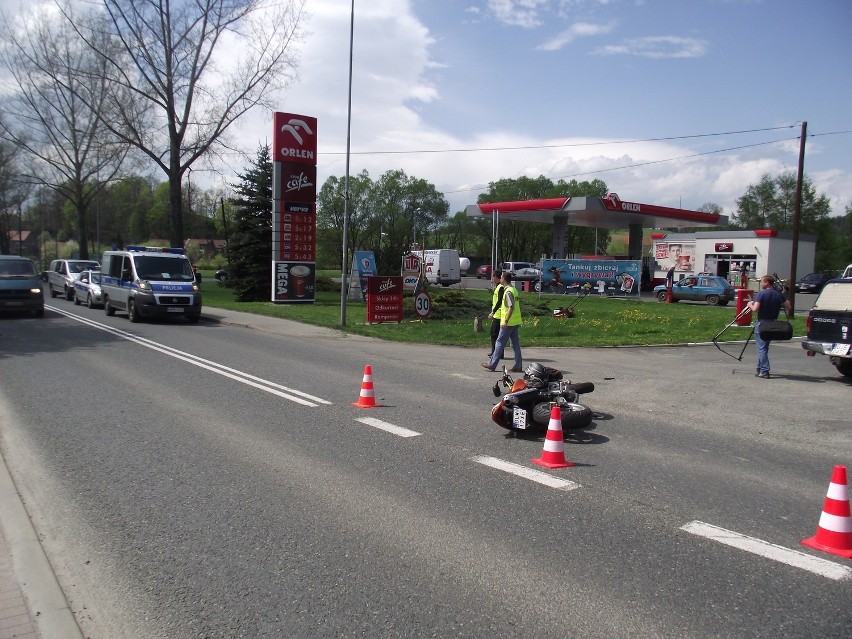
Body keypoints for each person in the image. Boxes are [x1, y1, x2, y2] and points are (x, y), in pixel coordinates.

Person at [747, 274, 792, 379]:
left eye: (762, 282)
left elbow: (755, 309)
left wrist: (750, 304)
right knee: (764, 347)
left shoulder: (761, 294)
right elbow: (789, 306)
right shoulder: (778, 294)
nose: (761, 283)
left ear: (767, 282)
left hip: (762, 323)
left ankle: (764, 370)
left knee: (762, 348)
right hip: (773, 323)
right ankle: (759, 368)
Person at [482, 271, 523, 372]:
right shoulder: (514, 290)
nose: (500, 279)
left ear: (504, 279)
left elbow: (511, 307)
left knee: (499, 342)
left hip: (508, 322)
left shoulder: (508, 291)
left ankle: (492, 364)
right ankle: (518, 365)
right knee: (515, 344)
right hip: (515, 321)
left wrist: (505, 320)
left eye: (501, 277)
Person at [487, 269, 505, 360]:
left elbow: (499, 302)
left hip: (498, 315)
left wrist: (493, 312)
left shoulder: (500, 287)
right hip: (497, 314)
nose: (492, 279)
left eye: (492, 277)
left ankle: (496, 353)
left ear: (495, 277)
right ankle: (498, 353)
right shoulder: (498, 287)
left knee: (494, 334)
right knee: (497, 335)